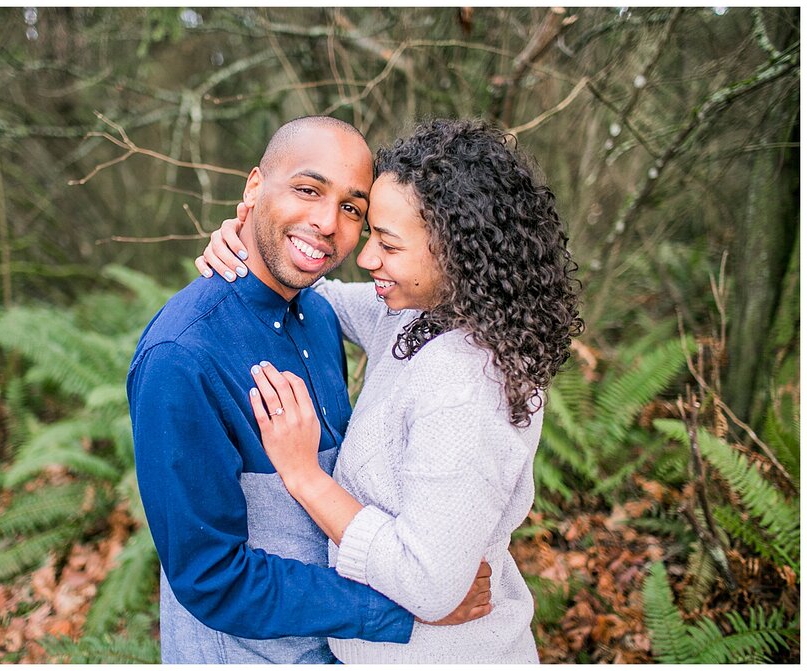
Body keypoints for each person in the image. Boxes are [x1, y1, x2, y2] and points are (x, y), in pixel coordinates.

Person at [197, 118, 583, 662]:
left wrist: (304, 476)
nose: (367, 258)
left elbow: (430, 586)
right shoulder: (418, 313)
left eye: (389, 244)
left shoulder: (467, 388)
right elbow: (317, 295)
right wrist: (247, 239)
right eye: (370, 231)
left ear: (457, 254)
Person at [127, 116, 490, 665]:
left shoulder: (319, 314)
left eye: (352, 208)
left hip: (338, 650)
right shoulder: (181, 357)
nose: (327, 222)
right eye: (307, 189)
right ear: (253, 188)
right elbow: (212, 579)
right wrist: (408, 606)